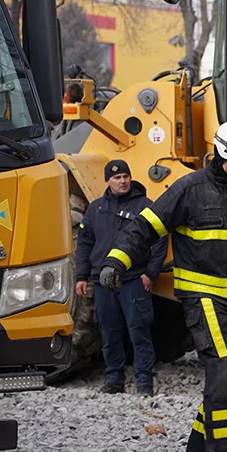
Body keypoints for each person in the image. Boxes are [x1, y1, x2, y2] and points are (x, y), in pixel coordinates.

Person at [100, 121, 227, 452]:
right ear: (216, 153)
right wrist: (116, 260)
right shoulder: (188, 189)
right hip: (202, 297)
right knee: (224, 368)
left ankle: (203, 449)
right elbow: (145, 227)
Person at [75, 160, 167, 395]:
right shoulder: (96, 209)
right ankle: (114, 380)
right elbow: (85, 245)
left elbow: (159, 241)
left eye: (126, 176)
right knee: (109, 332)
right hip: (103, 283)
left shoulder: (145, 207)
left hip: (134, 280)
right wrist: (81, 276)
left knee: (139, 331)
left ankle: (144, 383)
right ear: (108, 180)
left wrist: (150, 274)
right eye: (117, 178)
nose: (122, 181)